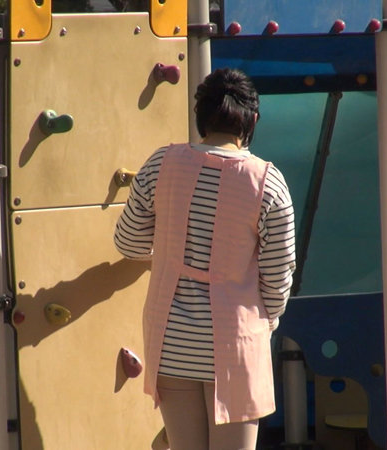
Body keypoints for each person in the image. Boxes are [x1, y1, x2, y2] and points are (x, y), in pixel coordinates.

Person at [114, 68, 296, 450]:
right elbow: (278, 278)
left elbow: (128, 241)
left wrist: (164, 252)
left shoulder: (161, 164)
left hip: (171, 342)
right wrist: (268, 322)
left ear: (201, 116)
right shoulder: (268, 183)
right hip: (236, 345)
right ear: (252, 120)